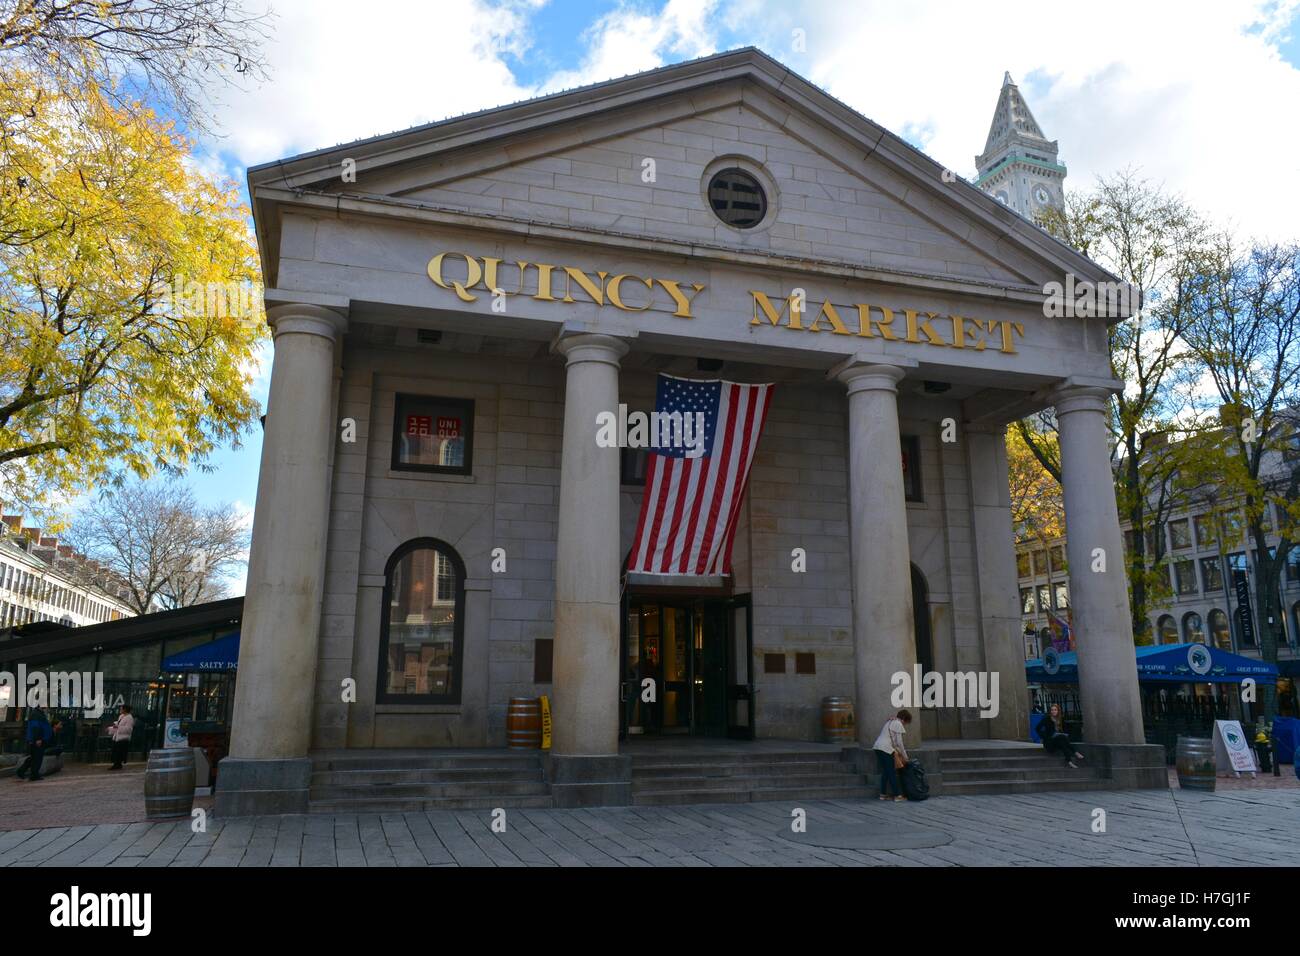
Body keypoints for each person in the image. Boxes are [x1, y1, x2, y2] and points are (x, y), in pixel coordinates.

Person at [872, 709, 912, 801]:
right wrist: (905, 756)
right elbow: (899, 742)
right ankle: (898, 795)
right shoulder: (898, 724)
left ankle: (883, 794)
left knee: (886, 772)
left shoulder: (890, 721)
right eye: (906, 722)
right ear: (904, 719)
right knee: (891, 772)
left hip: (878, 747)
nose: (904, 725)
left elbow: (893, 741)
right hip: (886, 749)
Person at [1036, 703, 1084, 768]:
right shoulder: (1046, 719)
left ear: (1058, 711)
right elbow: (1037, 728)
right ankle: (1075, 752)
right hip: (1049, 743)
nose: (1053, 711)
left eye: (1055, 710)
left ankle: (1069, 761)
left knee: (1062, 740)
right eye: (1052, 710)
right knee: (1062, 737)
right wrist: (1045, 737)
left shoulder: (1060, 719)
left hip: (1059, 741)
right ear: (1050, 711)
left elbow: (1067, 728)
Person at [23, 706, 54, 781]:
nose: (47, 707)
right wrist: (38, 739)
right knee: (37, 758)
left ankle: (25, 772)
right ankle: (34, 775)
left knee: (35, 757)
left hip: (38, 739)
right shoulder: (36, 714)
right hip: (38, 740)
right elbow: (35, 727)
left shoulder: (39, 713)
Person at [107, 704, 135, 771]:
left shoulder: (129, 718)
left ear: (125, 710)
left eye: (121, 709)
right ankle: (117, 764)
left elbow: (128, 729)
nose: (120, 710)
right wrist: (112, 728)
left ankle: (117, 764)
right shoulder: (121, 716)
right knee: (116, 751)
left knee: (119, 752)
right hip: (117, 737)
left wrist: (118, 727)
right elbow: (118, 725)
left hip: (123, 738)